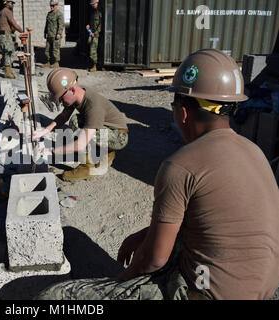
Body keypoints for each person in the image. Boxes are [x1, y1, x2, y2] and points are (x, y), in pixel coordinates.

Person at [37, 49, 279, 300]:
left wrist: (122, 283)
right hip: (267, 290)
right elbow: (207, 217)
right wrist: (146, 233)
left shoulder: (181, 165)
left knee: (55, 297)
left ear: (182, 112)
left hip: (207, 294)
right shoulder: (255, 152)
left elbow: (154, 259)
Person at [33, 67, 129, 181]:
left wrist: (52, 151)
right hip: (108, 128)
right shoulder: (78, 93)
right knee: (75, 120)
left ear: (72, 90)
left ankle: (87, 167)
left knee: (77, 123)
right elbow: (64, 116)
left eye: (61, 99)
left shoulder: (94, 107)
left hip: (119, 136)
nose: (60, 102)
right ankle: (106, 152)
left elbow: (80, 144)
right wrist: (45, 131)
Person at [0, 0, 23, 79]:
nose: (13, 5)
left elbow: (9, 25)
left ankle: (8, 70)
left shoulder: (1, 12)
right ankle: (7, 72)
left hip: (3, 34)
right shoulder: (7, 11)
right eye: (12, 3)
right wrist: (22, 32)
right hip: (5, 35)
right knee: (9, 52)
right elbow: (13, 23)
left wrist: (13, 30)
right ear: (7, 3)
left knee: (7, 52)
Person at [41, 0, 64, 69]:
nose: (51, 7)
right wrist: (45, 32)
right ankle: (48, 62)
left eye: (53, 6)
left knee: (55, 49)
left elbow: (61, 25)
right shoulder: (49, 14)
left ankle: (56, 63)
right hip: (49, 35)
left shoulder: (59, 14)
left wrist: (59, 33)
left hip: (56, 35)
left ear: (56, 5)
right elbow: (47, 24)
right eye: (51, 6)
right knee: (47, 49)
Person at [86, 0, 101, 72]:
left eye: (93, 4)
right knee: (90, 49)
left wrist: (95, 33)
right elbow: (92, 22)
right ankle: (92, 65)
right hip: (91, 33)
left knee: (93, 51)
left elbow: (100, 25)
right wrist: (89, 26)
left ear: (97, 3)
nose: (92, 5)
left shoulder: (100, 12)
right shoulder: (93, 12)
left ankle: (94, 66)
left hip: (95, 35)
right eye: (91, 4)